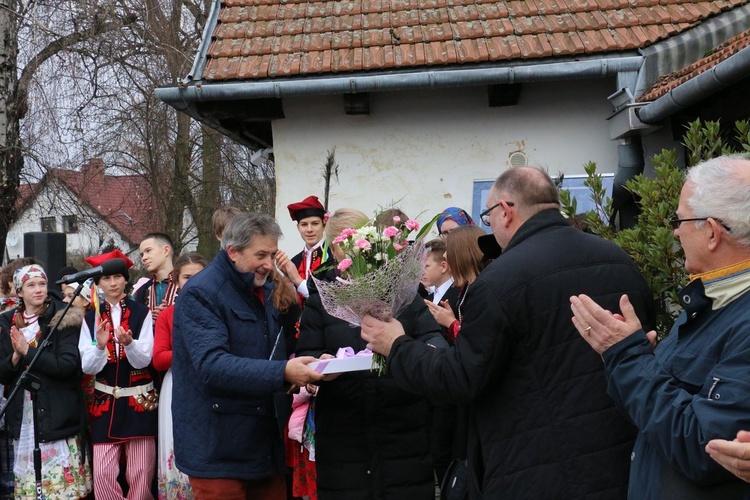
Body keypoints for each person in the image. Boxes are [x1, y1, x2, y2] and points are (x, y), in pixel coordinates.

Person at [360, 166, 655, 498]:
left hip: (534, 467)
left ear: (506, 211)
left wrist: (396, 345)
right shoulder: (618, 260)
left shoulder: (499, 282)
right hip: (623, 462)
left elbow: (461, 379)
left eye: (488, 216)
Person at [570, 155, 750, 498]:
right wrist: (636, 362)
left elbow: (704, 448)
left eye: (681, 220)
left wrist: (628, 358)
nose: (675, 230)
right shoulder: (712, 300)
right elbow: (659, 418)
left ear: (712, 232)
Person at [296, 208, 447, 500]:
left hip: (402, 426)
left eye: (355, 241)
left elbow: (435, 342)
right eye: (340, 243)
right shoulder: (322, 301)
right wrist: (322, 365)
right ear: (334, 248)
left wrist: (408, 346)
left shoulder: (404, 295)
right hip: (344, 433)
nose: (349, 250)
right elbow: (307, 356)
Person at [171, 213, 324, 499]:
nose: (270, 264)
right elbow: (212, 365)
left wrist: (312, 360)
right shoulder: (201, 293)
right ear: (232, 252)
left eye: (272, 253)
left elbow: (278, 347)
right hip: (218, 451)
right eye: (261, 255)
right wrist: (283, 373)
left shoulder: (265, 289)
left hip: (263, 446)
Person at [0, 264, 93, 499]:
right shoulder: (6, 323)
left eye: (42, 283)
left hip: (56, 412)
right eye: (31, 285)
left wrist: (28, 352)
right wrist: (16, 356)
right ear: (19, 291)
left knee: (62, 490)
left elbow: (68, 366)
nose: (39, 289)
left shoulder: (62, 318)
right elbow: (3, 374)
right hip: (23, 416)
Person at [77, 249, 158, 500]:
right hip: (105, 405)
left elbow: (145, 359)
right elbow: (88, 367)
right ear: (98, 283)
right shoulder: (90, 318)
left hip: (139, 403)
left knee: (141, 473)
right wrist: (100, 346)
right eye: (106, 279)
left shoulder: (142, 313)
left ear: (126, 279)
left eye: (117, 277)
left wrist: (130, 344)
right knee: (102, 473)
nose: (112, 283)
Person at [153, 252, 207, 500]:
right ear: (175, 281)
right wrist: (190, 351)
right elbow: (159, 359)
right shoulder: (168, 315)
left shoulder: (218, 311)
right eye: (187, 277)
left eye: (199, 276)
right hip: (177, 384)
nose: (193, 282)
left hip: (210, 383)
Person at [275, 196, 332, 302]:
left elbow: (328, 301)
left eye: (315, 223)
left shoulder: (333, 257)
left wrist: (297, 279)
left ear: (324, 226)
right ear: (298, 228)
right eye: (304, 224)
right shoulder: (294, 261)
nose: (309, 230)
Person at [135, 233, 178, 322]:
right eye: (142, 255)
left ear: (166, 250)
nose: (144, 258)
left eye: (148, 251)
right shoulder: (140, 293)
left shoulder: (185, 285)